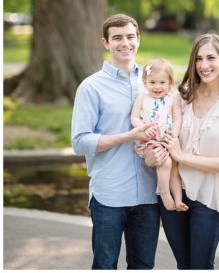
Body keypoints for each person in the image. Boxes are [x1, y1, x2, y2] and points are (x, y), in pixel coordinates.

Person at [71, 14, 161, 269]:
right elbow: (80, 142)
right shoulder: (91, 88)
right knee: (105, 266)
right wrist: (129, 136)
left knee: (143, 266)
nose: (125, 43)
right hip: (109, 197)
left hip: (147, 197)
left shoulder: (151, 84)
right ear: (105, 42)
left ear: (138, 39)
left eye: (130, 36)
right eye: (117, 38)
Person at [157, 33, 219, 269]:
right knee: (184, 265)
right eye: (198, 59)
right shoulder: (182, 98)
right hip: (174, 194)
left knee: (200, 266)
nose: (204, 66)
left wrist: (182, 156)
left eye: (210, 58)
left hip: (209, 197)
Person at [130, 58, 186, 212]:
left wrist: (174, 133)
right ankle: (164, 192)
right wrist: (143, 127)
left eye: (162, 82)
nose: (157, 87)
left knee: (175, 168)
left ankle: (178, 199)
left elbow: (177, 118)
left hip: (168, 140)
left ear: (170, 83)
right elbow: (134, 117)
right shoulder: (142, 99)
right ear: (145, 82)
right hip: (150, 141)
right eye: (152, 82)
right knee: (166, 162)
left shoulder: (172, 99)